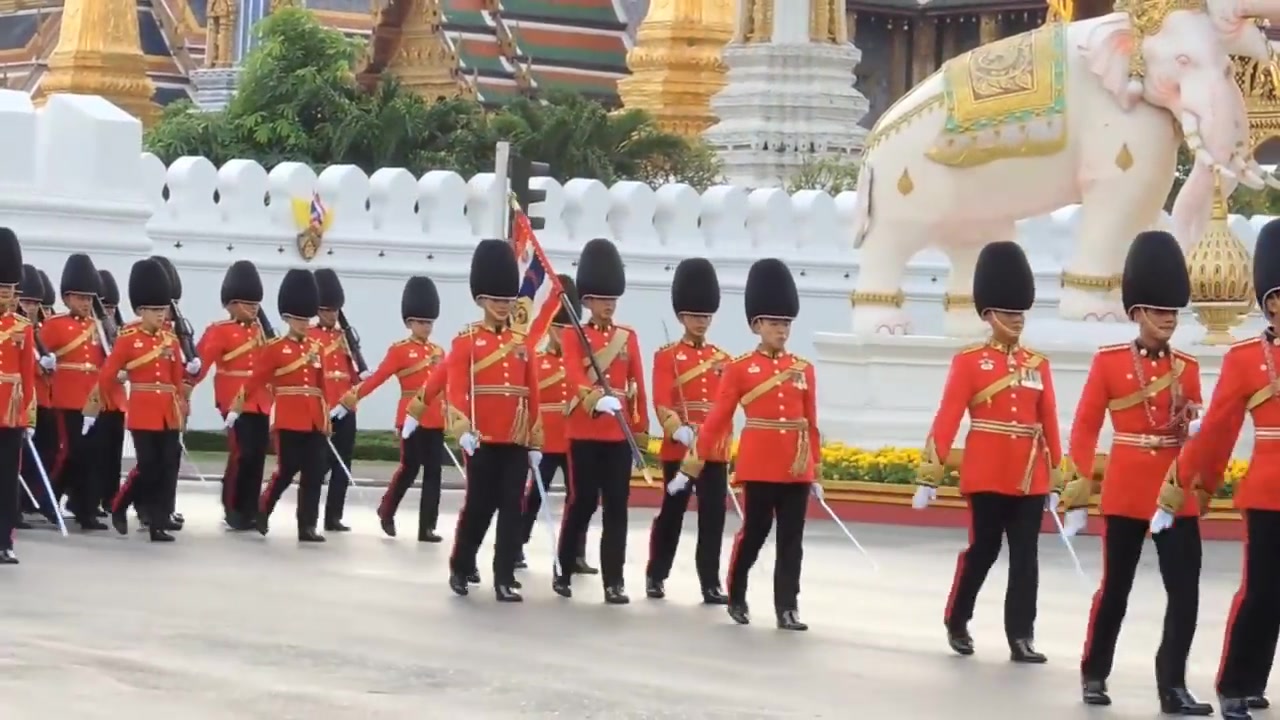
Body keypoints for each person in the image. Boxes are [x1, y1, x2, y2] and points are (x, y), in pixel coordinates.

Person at [1060, 230, 1210, 714]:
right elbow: (1083, 430)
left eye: (1174, 312)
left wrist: (1194, 429)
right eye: (1159, 310)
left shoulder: (1186, 368)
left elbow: (1198, 433)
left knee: (1185, 594)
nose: (1169, 319)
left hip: (1173, 492)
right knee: (1117, 589)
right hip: (1126, 490)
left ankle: (1173, 687)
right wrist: (1077, 494)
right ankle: (1094, 673)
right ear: (1135, 313)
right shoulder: (1108, 364)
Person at [911, 240, 1061, 662]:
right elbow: (947, 418)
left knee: (1026, 558)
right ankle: (958, 617)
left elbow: (1048, 422)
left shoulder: (1038, 364)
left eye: (1020, 312)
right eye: (1009, 312)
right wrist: (929, 474)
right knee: (984, 550)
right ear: (987, 314)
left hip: (1029, 474)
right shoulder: (970, 362)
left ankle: (1021, 636)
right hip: (988, 473)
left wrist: (1057, 477)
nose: (1016, 319)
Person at [670, 258, 817, 630]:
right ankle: (736, 591)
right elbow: (718, 420)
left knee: (792, 541)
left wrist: (815, 468)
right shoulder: (739, 369)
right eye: (774, 323)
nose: (782, 330)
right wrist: (691, 466)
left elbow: (811, 424)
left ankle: (788, 607)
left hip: (795, 468)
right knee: (754, 533)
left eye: (786, 323)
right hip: (761, 465)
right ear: (757, 325)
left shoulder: (803, 369)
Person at [1178, 218, 1280, 719]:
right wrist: (1188, 484)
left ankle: (1256, 680)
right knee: (1262, 592)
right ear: (1273, 301)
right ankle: (1235, 683)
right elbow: (1217, 429)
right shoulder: (1246, 359)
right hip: (1268, 491)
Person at [446, 239, 542, 602]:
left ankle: (503, 577)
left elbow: (532, 391)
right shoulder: (466, 341)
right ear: (480, 299)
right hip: (482, 438)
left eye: (507, 300)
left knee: (511, 507)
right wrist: (463, 429)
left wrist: (535, 442)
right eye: (496, 300)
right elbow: (456, 390)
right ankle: (460, 565)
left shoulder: (522, 343)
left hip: (515, 439)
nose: (503, 307)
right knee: (479, 507)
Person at [553, 238, 648, 604]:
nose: (608, 305)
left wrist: (639, 431)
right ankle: (564, 568)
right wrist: (596, 399)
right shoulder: (575, 336)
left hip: (617, 435)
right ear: (587, 302)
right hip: (585, 430)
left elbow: (637, 385)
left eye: (612, 299)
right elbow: (573, 376)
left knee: (617, 507)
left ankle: (615, 580)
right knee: (582, 502)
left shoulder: (628, 337)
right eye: (601, 299)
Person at [646, 258, 731, 604]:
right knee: (672, 514)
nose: (701, 322)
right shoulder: (667, 357)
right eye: (695, 316)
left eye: (706, 316)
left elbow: (726, 407)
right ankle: (656, 574)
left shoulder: (723, 359)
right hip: (680, 449)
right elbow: (661, 399)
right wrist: (676, 429)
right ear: (682, 316)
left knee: (713, 518)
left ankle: (710, 582)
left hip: (712, 450)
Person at [229, 268, 330, 543]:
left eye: (306, 318)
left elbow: (322, 387)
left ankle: (307, 525)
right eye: (298, 318)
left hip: (313, 419)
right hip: (288, 418)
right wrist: (236, 407)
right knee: (286, 471)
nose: (303, 323)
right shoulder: (275, 348)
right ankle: (264, 507)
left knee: (314, 474)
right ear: (287, 317)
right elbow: (255, 380)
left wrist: (326, 418)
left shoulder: (316, 348)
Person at [352, 275, 447, 542]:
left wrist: (453, 414)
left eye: (429, 322)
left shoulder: (439, 351)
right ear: (409, 322)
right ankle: (387, 509)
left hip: (435, 418)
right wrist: (352, 398)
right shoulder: (399, 351)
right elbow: (378, 378)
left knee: (434, 475)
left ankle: (427, 527)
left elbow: (446, 386)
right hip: (410, 418)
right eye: (421, 322)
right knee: (409, 468)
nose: (426, 327)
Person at [97, 260, 186, 542]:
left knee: (165, 467)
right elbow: (107, 375)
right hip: (143, 410)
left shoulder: (171, 341)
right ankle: (121, 504)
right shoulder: (128, 339)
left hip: (167, 412)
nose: (162, 315)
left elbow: (176, 378)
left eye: (164, 310)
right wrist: (101, 402)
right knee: (148, 465)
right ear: (140, 311)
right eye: (156, 310)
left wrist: (182, 407)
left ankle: (158, 523)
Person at [517, 274, 592, 574]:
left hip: (575, 439)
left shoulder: (584, 360)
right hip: (546, 439)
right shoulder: (537, 357)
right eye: (558, 327)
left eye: (568, 327)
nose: (563, 333)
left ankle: (575, 553)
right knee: (534, 497)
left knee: (580, 499)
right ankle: (515, 547)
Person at [190, 261, 272, 531]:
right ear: (231, 304)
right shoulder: (220, 331)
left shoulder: (263, 332)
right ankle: (233, 507)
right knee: (241, 453)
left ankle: (250, 507)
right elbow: (201, 362)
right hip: (233, 399)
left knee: (257, 455)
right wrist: (185, 387)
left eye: (255, 303)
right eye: (247, 303)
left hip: (261, 399)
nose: (253, 308)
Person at [40, 253, 108, 530]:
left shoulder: (100, 328)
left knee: (91, 457)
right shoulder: (55, 325)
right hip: (66, 399)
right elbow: (40, 358)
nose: (84, 303)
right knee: (68, 454)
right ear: (66, 298)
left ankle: (85, 509)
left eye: (88, 298)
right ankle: (48, 500)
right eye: (79, 297)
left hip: (92, 401)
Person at [312, 268, 362, 532]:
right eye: (326, 310)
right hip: (322, 407)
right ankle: (309, 513)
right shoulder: (309, 336)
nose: (331, 315)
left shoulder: (345, 339)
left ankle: (334, 516)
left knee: (344, 464)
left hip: (346, 406)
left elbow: (353, 374)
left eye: (334, 310)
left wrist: (351, 399)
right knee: (319, 465)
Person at [0, 229, 37, 562]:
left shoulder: (22, 327)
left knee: (7, 478)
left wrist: (28, 415)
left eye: (10, 289)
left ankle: (4, 540)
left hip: (10, 412)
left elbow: (27, 376)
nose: (6, 295)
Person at [16, 263, 53, 523]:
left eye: (35, 303)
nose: (31, 307)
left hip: (43, 400)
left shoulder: (40, 329)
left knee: (43, 452)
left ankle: (32, 502)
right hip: (18, 401)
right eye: (27, 301)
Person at [94, 269, 127, 517]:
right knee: (96, 454)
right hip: (95, 399)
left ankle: (110, 497)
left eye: (113, 307)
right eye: (105, 307)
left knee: (113, 455)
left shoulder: (121, 334)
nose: (109, 312)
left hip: (116, 401)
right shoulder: (92, 331)